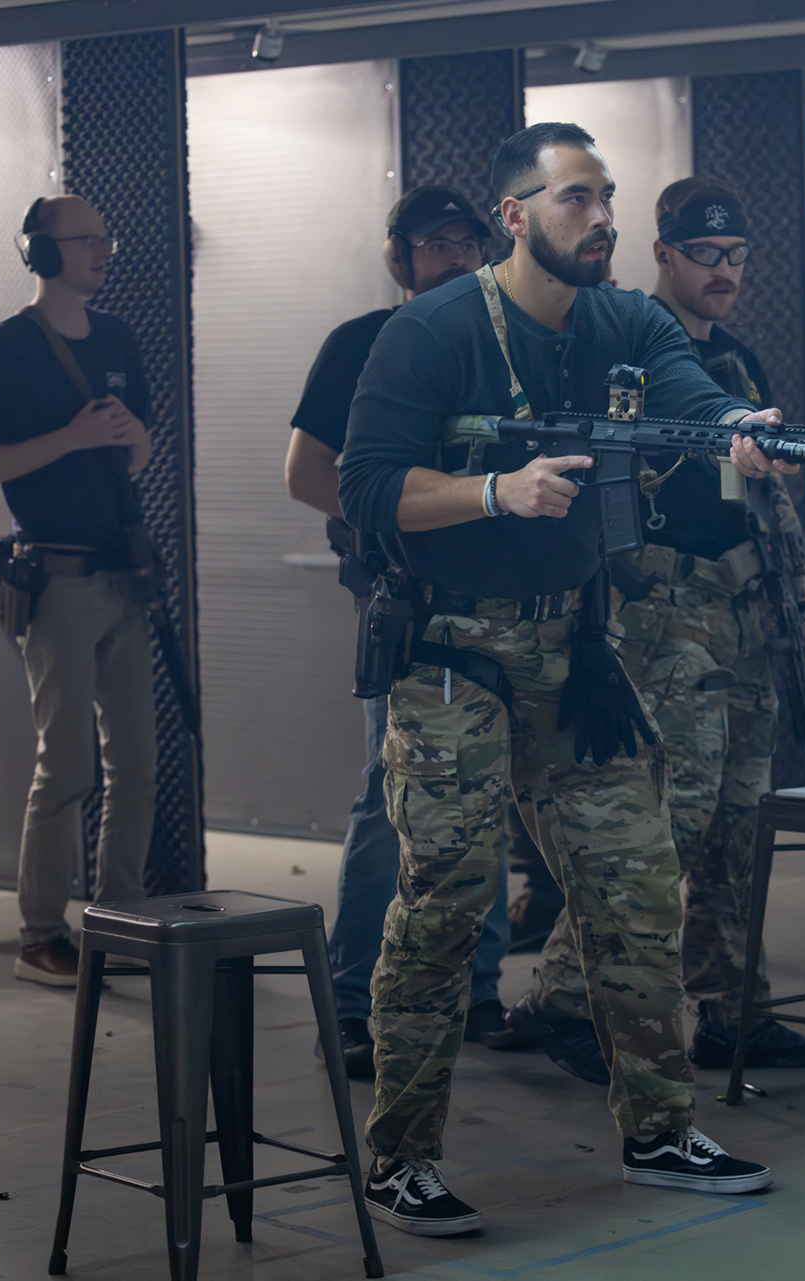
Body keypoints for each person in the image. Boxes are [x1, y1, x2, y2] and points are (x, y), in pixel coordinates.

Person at [338, 122, 781, 1236]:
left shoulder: (623, 319)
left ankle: (661, 1127)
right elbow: (368, 488)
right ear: (516, 215)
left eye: (607, 196)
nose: (603, 218)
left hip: (576, 652)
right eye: (576, 198)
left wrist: (739, 429)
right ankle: (400, 1156)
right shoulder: (431, 331)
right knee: (445, 904)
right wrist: (495, 492)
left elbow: (691, 392)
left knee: (637, 884)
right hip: (452, 654)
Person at [507, 178, 805, 1079]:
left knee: (742, 824)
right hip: (662, 612)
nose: (724, 272)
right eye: (705, 255)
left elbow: (768, 499)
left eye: (737, 256)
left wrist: (804, 610)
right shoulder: (628, 349)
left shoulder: (737, 363)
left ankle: (732, 1010)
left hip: (746, 613)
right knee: (668, 823)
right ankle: (565, 998)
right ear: (663, 254)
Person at [284, 185, 512, 1079]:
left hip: (496, 596)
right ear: (400, 256)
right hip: (406, 595)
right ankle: (349, 1004)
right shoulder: (362, 343)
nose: (454, 257)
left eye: (467, 243)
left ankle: (479, 990)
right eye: (435, 244)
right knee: (389, 797)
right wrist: (394, 518)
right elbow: (306, 472)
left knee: (488, 789)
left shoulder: (502, 342)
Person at [0, 194, 156, 986]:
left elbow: (136, 452)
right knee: (66, 764)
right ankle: (41, 933)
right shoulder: (6, 346)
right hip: (59, 581)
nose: (103, 251)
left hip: (123, 577)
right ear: (41, 252)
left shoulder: (118, 338)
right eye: (85, 239)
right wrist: (70, 437)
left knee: (135, 762)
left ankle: (120, 918)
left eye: (107, 238)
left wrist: (133, 440)